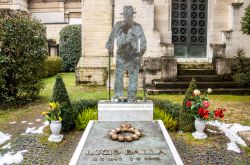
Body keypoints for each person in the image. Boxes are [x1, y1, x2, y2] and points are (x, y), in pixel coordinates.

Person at [106, 5, 147, 102]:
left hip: (133, 55)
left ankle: (131, 96)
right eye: (126, 14)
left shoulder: (138, 27)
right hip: (120, 54)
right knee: (118, 74)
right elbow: (111, 39)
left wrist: (141, 52)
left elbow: (143, 41)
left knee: (133, 76)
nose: (127, 16)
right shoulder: (118, 25)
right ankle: (118, 95)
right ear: (123, 15)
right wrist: (109, 46)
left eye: (129, 14)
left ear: (132, 15)